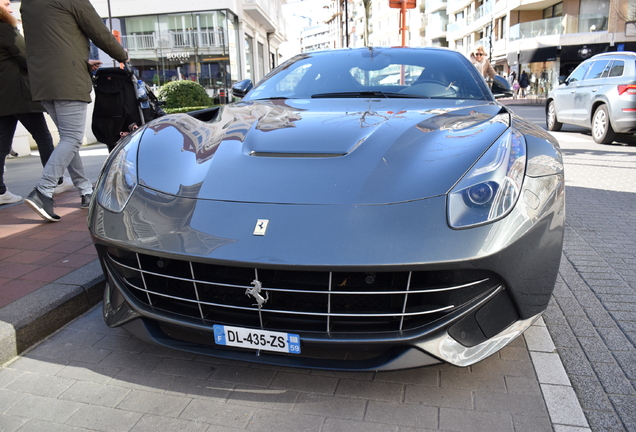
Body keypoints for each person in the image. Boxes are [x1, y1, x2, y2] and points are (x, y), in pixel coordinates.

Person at [20, 0, 128, 221]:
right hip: (66, 80)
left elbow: (51, 40)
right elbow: (98, 30)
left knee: (67, 141)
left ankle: (86, 191)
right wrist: (122, 55)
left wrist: (83, 63)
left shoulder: (28, 3)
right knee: (72, 138)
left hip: (42, 80)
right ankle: (43, 191)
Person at [0, 0, 73, 205]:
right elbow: (26, 56)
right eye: (5, 3)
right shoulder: (5, 29)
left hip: (3, 97)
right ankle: (56, 180)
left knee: (2, 144)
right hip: (20, 93)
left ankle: (0, 191)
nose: (9, 5)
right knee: (43, 137)